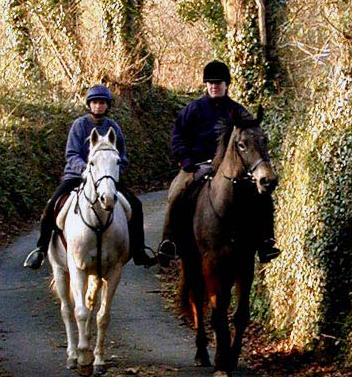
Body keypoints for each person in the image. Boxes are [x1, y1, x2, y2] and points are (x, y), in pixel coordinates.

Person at [157, 60, 280, 267]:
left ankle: (265, 241)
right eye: (211, 83)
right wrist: (186, 160)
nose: (214, 86)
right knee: (177, 191)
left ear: (226, 85)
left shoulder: (238, 112)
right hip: (197, 164)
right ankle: (169, 242)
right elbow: (178, 137)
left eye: (219, 82)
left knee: (263, 195)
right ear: (206, 85)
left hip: (230, 168)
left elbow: (252, 137)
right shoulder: (193, 109)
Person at [24, 85, 156, 269]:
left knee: (135, 205)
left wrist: (112, 171)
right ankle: (40, 249)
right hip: (78, 176)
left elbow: (122, 156)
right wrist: (86, 170)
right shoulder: (79, 125)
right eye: (95, 102)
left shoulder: (113, 128)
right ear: (89, 104)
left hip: (106, 179)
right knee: (51, 205)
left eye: (102, 103)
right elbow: (71, 154)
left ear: (107, 105)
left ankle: (139, 250)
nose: (98, 106)